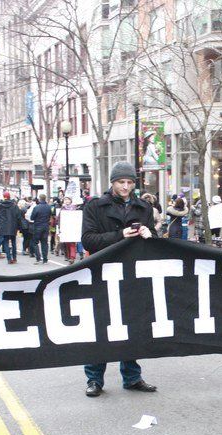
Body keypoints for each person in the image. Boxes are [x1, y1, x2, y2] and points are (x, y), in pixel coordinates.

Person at [80, 161, 158, 397]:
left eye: (130, 182)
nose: (126, 187)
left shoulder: (143, 207)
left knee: (132, 326)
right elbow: (88, 240)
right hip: (102, 273)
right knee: (101, 326)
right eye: (121, 182)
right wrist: (120, 235)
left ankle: (132, 377)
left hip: (132, 273)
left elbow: (154, 241)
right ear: (112, 183)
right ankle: (94, 379)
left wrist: (149, 234)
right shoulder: (95, 206)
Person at [0, 191, 20, 264]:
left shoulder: (0, 205)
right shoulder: (14, 205)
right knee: (13, 242)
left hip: (3, 226)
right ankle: (14, 258)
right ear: (9, 197)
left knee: (5, 242)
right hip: (13, 226)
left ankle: (9, 259)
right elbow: (18, 216)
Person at [30, 194, 51, 264]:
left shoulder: (36, 207)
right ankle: (45, 259)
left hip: (37, 226)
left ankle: (38, 258)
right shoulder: (48, 207)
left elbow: (32, 217)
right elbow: (50, 215)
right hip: (46, 226)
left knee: (35, 243)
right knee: (44, 243)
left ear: (39, 199)